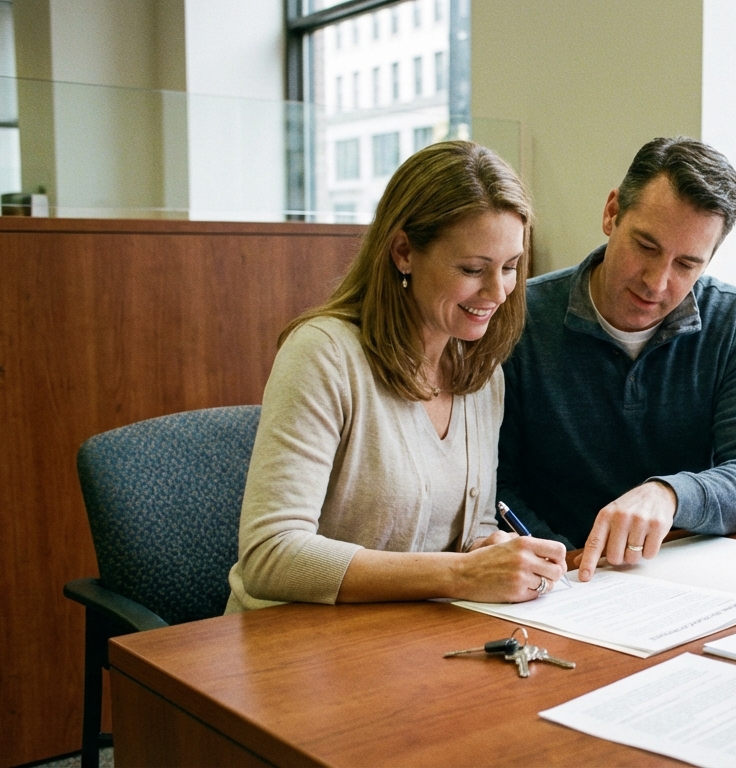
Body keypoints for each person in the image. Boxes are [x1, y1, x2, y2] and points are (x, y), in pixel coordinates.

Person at [226, 141, 567, 613]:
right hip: (297, 639)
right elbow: (270, 555)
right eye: (473, 269)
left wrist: (489, 552)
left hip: (412, 632)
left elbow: (470, 531)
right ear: (404, 252)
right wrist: (461, 573)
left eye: (509, 268)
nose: (497, 291)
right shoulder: (323, 355)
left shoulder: (481, 373)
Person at [497, 137, 736, 582]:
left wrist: (670, 494)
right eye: (647, 247)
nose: (657, 282)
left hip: (684, 577)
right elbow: (496, 485)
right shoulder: (519, 318)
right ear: (612, 212)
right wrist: (563, 560)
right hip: (557, 580)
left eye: (686, 264)